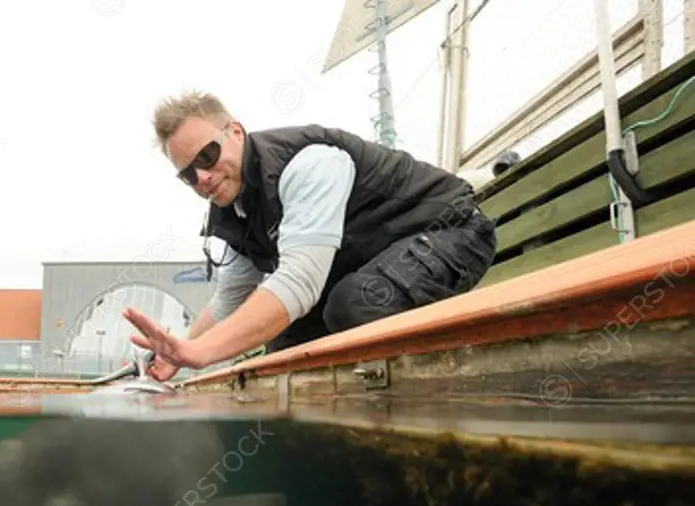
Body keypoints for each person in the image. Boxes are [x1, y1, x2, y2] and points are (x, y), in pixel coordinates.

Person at [123, 90, 497, 382]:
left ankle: (438, 406)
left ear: (235, 132)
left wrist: (203, 352)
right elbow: (229, 301)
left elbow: (299, 281)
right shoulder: (235, 212)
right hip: (374, 264)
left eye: (207, 156)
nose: (202, 177)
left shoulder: (308, 163)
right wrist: (180, 350)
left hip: (452, 233)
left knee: (356, 304)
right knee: (285, 342)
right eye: (188, 174)